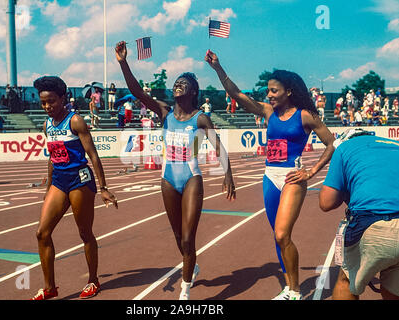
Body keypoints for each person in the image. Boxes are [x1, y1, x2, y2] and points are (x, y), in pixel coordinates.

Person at [205, 49, 335, 300]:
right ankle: (289, 286)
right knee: (278, 235)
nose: (269, 95)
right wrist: (218, 68)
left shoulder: (305, 115)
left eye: (274, 91)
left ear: (288, 91)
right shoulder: (267, 112)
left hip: (291, 178)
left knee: (282, 233)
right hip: (269, 177)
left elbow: (331, 143)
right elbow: (235, 93)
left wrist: (311, 172)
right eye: (268, 91)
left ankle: (296, 292)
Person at [116, 41, 236, 300]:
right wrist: (123, 62)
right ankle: (191, 264)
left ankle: (185, 289)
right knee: (179, 236)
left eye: (183, 83)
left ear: (193, 91)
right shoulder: (164, 112)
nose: (177, 84)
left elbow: (219, 147)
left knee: (188, 237)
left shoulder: (200, 119)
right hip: (168, 180)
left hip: (191, 179)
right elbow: (137, 92)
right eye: (176, 82)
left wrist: (228, 175)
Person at [30, 76, 118, 300]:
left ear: (62, 98)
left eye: (51, 101)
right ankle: (50, 288)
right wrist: (48, 187)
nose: (47, 107)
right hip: (59, 180)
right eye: (43, 103)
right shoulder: (46, 124)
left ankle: (93, 280)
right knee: (42, 233)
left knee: (84, 233)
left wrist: (104, 188)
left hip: (80, 179)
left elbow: (93, 155)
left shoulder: (75, 121)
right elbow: (52, 157)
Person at [319, 128, 399, 300]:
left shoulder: (344, 148)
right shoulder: (396, 145)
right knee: (394, 286)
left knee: (346, 281)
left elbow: (326, 202)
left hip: (371, 222)